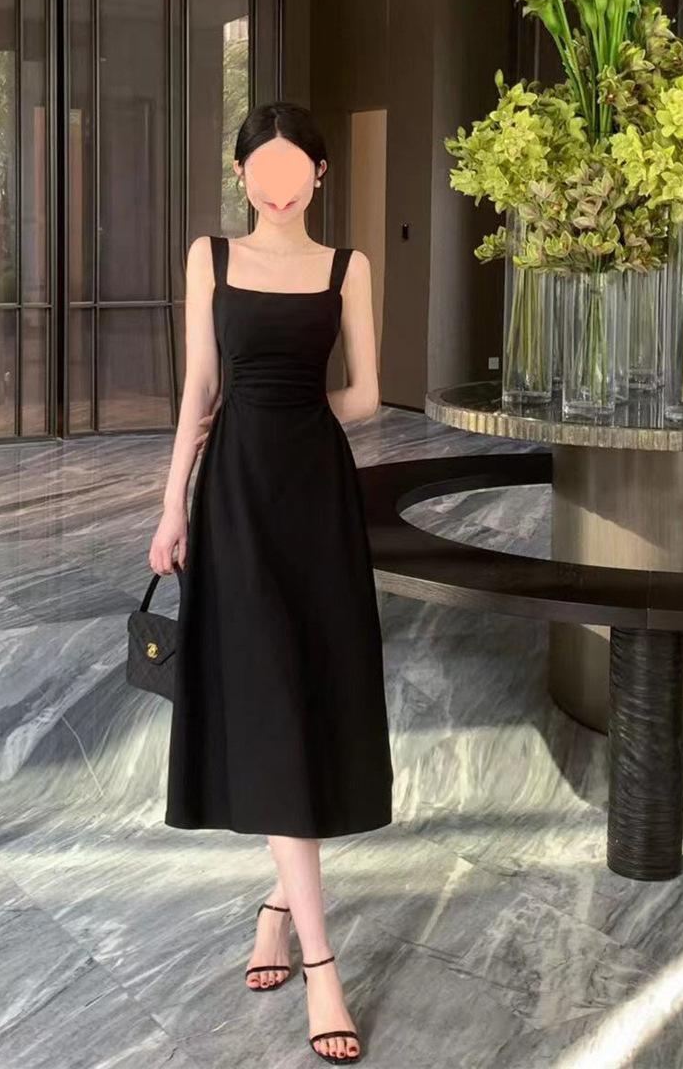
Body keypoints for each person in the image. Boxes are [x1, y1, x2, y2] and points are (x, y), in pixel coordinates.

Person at [148, 101, 394, 1066]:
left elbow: (366, 394)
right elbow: (198, 393)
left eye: (296, 169)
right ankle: (323, 967)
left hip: (317, 497)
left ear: (320, 176)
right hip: (237, 501)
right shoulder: (209, 258)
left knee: (311, 694)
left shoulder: (347, 267)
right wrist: (171, 509)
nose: (280, 185)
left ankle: (275, 911)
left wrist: (300, 405)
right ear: (241, 173)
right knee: (270, 697)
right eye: (264, 168)